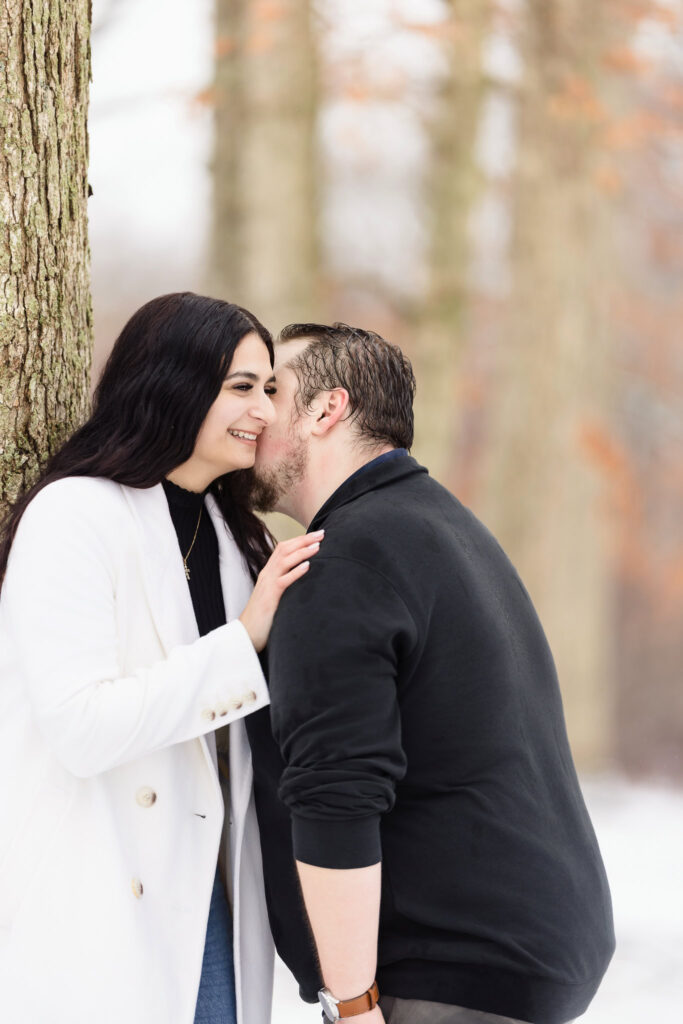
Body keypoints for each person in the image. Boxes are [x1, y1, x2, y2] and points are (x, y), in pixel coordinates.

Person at [244, 322, 615, 1024]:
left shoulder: (343, 561)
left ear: (326, 410)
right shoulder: (440, 526)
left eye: (272, 389)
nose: (254, 414)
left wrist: (351, 1006)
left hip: (452, 972)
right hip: (532, 951)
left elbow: (336, 794)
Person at [0, 293, 323, 1024]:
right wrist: (242, 642)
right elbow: (82, 728)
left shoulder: (243, 540)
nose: (265, 411)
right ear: (172, 384)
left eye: (269, 389)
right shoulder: (75, 516)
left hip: (214, 891)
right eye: (241, 387)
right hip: (97, 893)